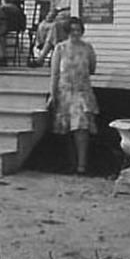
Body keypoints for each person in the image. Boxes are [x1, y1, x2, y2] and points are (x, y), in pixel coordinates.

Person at [48, 16, 98, 174]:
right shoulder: (60, 48)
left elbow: (92, 68)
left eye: (78, 30)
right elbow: (54, 73)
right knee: (66, 129)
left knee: (81, 128)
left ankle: (82, 165)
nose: (76, 33)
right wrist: (52, 93)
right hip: (64, 92)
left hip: (82, 92)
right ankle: (71, 163)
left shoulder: (88, 48)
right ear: (67, 31)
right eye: (72, 30)